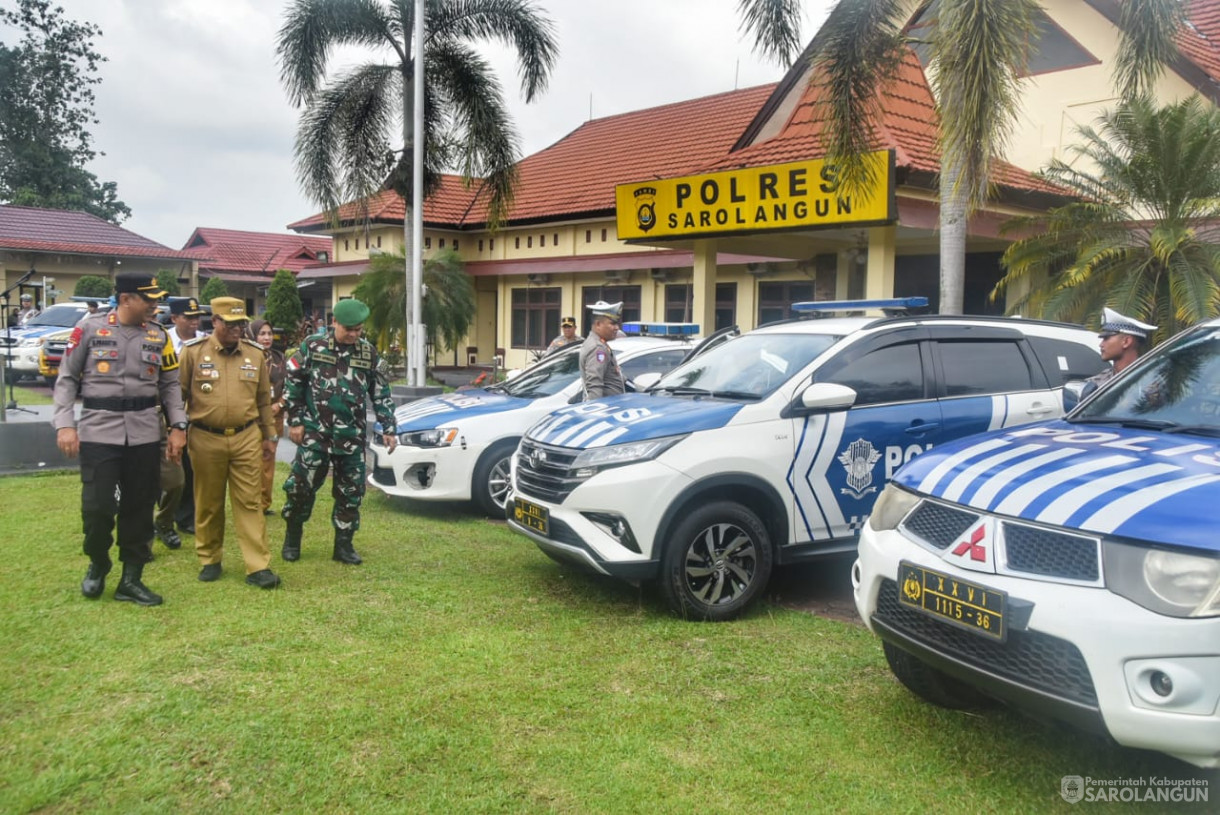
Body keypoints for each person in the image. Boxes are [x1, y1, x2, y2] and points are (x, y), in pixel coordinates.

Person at [52, 272, 187, 606]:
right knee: (97, 507)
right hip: (100, 431)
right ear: (126, 299)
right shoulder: (90, 329)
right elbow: (67, 378)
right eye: (148, 299)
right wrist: (65, 424)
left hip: (144, 432)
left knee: (139, 506)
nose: (155, 306)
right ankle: (98, 561)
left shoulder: (158, 336)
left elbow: (170, 385)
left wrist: (178, 427)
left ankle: (131, 578)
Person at [281, 298, 397, 565]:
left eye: (358, 329)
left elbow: (381, 392)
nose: (354, 334)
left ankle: (343, 546)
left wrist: (388, 427)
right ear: (334, 323)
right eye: (349, 329)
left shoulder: (368, 353)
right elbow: (294, 381)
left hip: (351, 438)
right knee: (300, 490)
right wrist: (296, 420)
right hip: (314, 435)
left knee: (351, 493)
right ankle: (292, 539)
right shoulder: (313, 345)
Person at [179, 297, 281, 589]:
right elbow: (179, 396)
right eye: (231, 323)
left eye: (241, 323)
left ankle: (257, 566)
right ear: (215, 322)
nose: (237, 329)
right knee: (209, 502)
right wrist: (173, 432)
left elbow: (264, 399)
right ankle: (210, 558)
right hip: (205, 437)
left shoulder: (254, 354)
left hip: (246, 436)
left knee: (250, 501)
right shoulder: (193, 353)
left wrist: (269, 435)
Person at [154, 297, 208, 549]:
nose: (194, 321)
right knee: (159, 473)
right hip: (159, 415)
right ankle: (157, 517)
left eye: (197, 317)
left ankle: (185, 518)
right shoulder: (159, 340)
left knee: (189, 471)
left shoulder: (206, 342)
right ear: (174, 318)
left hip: (194, 417)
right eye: (189, 317)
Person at [248, 318, 286, 516]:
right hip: (252, 417)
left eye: (269, 334)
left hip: (275, 416)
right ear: (253, 335)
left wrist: (279, 404)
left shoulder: (279, 358)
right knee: (249, 460)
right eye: (262, 334)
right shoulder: (246, 357)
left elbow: (290, 386)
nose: (266, 338)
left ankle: (264, 503)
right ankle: (250, 502)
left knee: (268, 457)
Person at [1081, 307, 1157, 398]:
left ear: (1126, 342)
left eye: (1106, 338)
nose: (1101, 344)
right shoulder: (1098, 382)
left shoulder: (1151, 379)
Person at [580, 300, 626, 399]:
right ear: (598, 324)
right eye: (612, 324)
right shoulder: (597, 348)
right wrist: (596, 412)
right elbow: (594, 386)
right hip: (606, 410)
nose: (617, 328)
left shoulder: (600, 344)